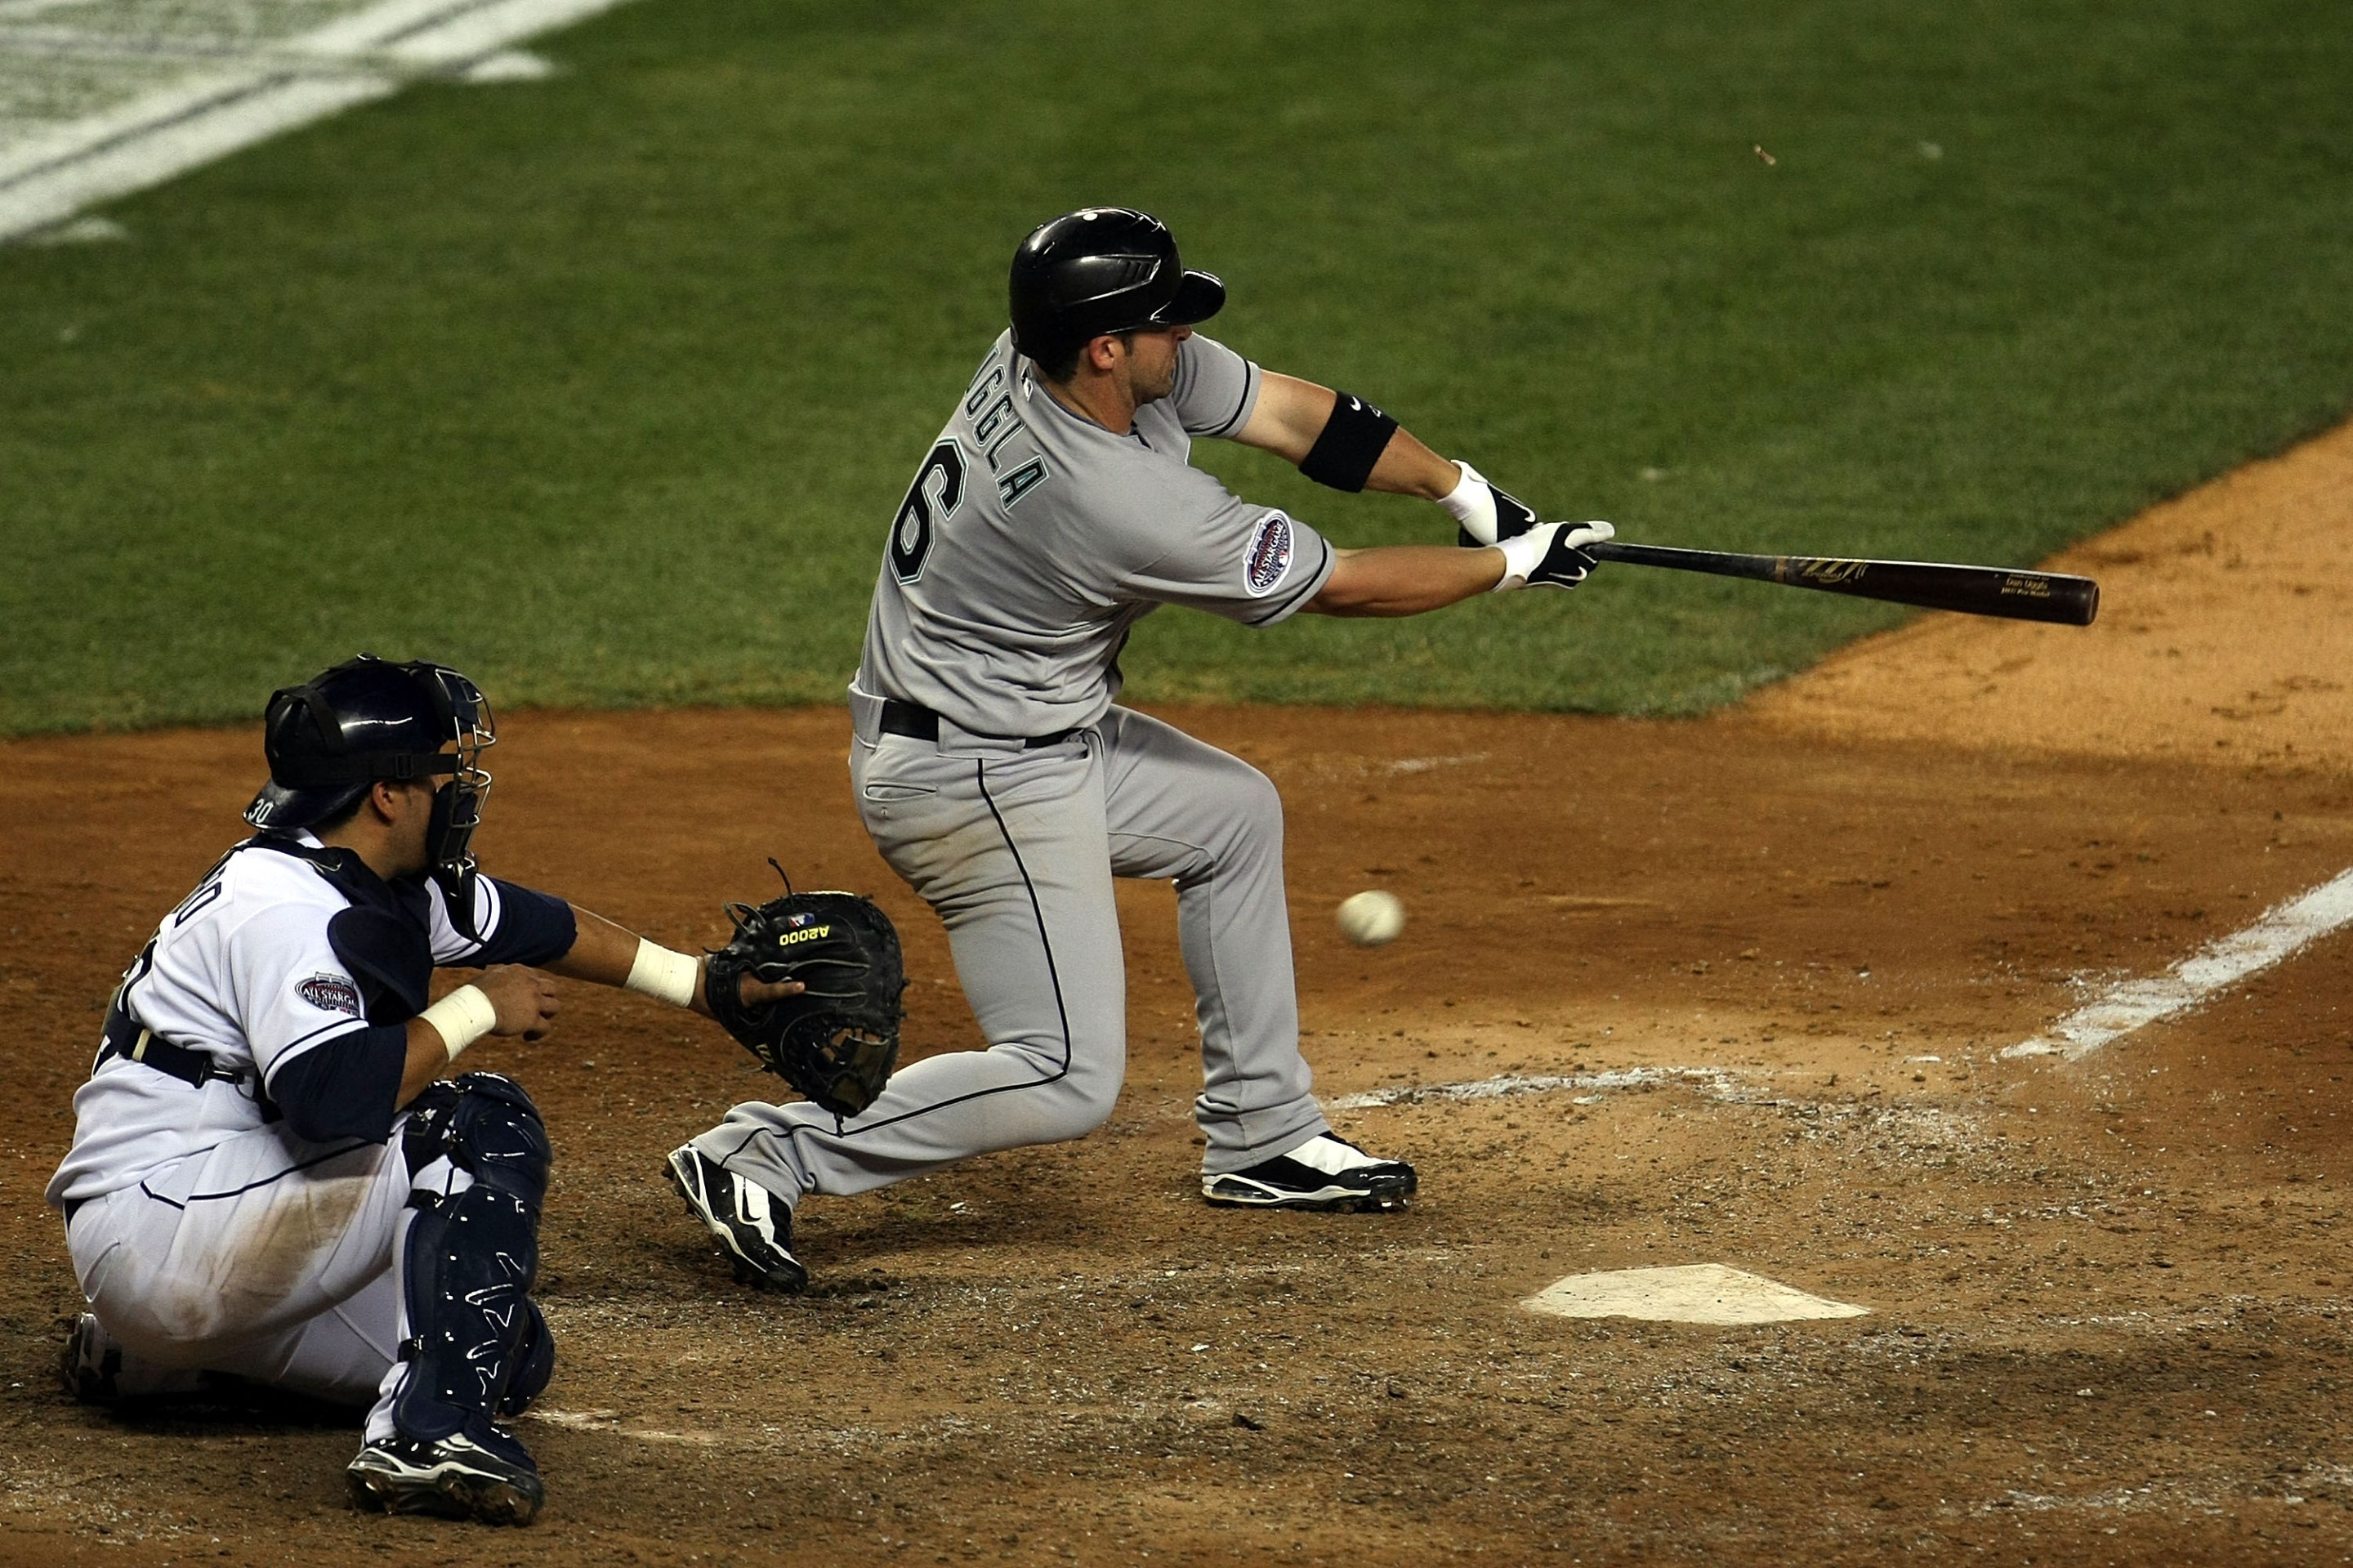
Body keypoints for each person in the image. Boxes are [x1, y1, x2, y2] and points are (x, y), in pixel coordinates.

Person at [664, 206, 1609, 1292]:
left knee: (1233, 816)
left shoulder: (1054, 354)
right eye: (1167, 323)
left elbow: (1302, 419)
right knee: (1066, 1072)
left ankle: (1263, 1133)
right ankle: (766, 1151)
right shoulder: (1118, 500)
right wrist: (1514, 568)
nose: (1187, 339)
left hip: (1022, 728)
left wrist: (1465, 492)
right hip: (978, 775)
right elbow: (1342, 585)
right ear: (1107, 347)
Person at [48, 655, 797, 1527]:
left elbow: (536, 924)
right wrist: (479, 1004)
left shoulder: (366, 874)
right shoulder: (283, 908)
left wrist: (702, 984)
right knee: (474, 1121)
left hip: (210, 1226)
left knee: (504, 1352)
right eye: (443, 770)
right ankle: (422, 1437)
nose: (460, 787)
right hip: (164, 1220)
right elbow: (331, 1096)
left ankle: (161, 1360)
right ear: (387, 795)